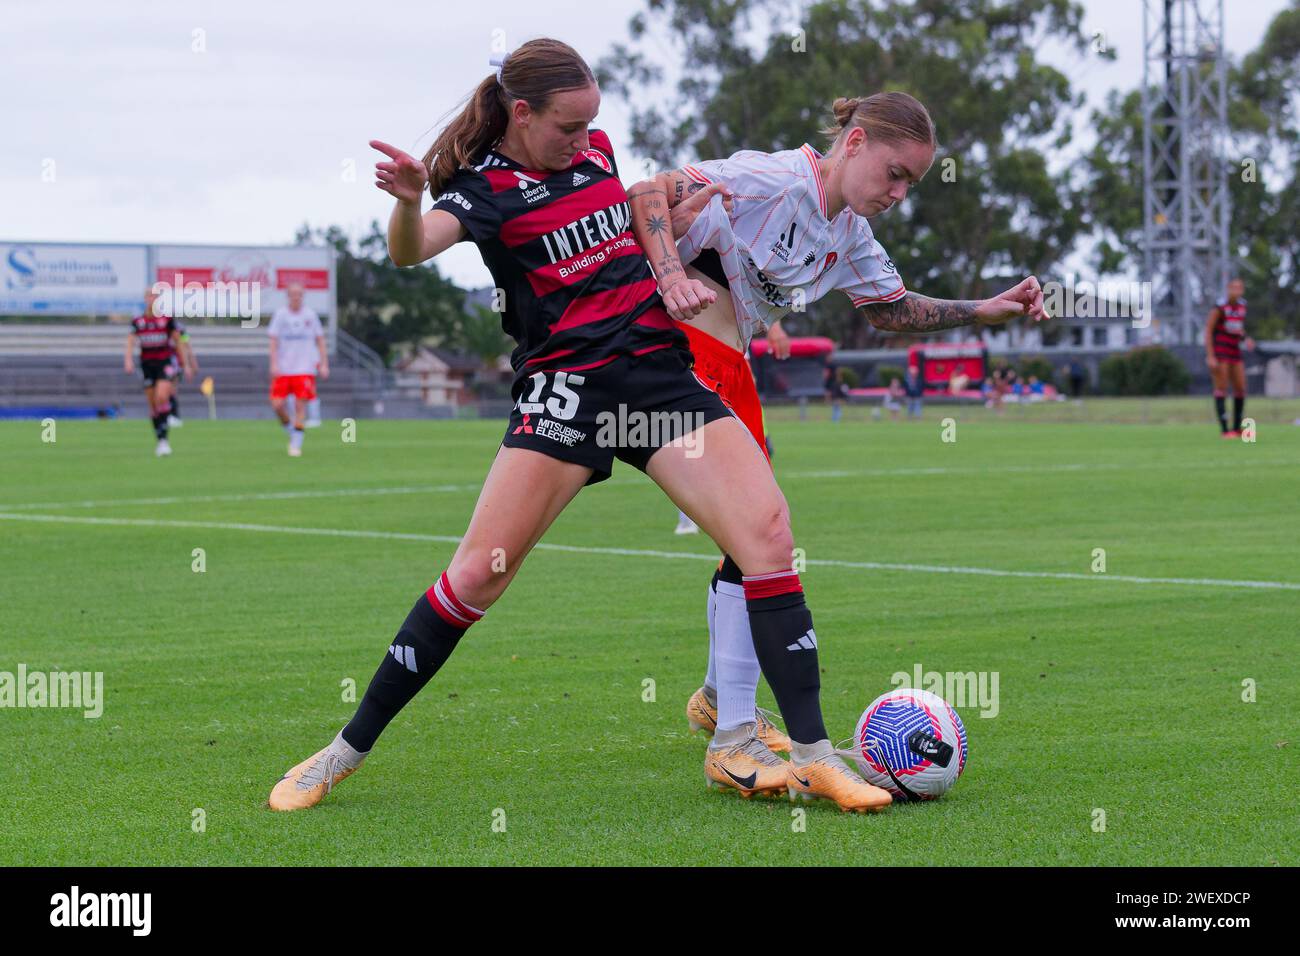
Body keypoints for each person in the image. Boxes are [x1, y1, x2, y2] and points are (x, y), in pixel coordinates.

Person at [269, 38, 902, 814]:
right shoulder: (480, 191)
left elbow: (634, 227)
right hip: (567, 394)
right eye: (569, 127)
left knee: (766, 532)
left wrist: (680, 232)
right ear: (522, 113)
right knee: (479, 574)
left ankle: (810, 757)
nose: (585, 141)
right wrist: (406, 201)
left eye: (591, 126)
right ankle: (343, 751)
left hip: (657, 377)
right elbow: (411, 253)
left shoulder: (597, 152)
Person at [625, 91, 1047, 797]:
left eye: (911, 181)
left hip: (723, 353)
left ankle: (720, 703)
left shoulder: (846, 231)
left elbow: (889, 309)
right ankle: (731, 733)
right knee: (757, 528)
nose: (900, 193)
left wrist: (986, 307)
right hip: (670, 343)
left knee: (753, 532)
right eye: (894, 173)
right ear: (853, 143)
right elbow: (647, 192)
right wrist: (670, 272)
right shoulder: (772, 180)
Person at [124, 288, 193, 456]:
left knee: (161, 396)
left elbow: (179, 342)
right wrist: (128, 360)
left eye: (155, 296)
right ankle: (162, 440)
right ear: (145, 299)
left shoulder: (167, 319)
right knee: (153, 405)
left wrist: (186, 363)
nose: (152, 299)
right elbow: (131, 341)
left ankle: (168, 422)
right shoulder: (138, 321)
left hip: (165, 362)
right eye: (149, 296)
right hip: (147, 364)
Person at [268, 283, 329, 456]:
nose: (296, 297)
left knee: (299, 405)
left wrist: (324, 363)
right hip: (284, 368)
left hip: (304, 368)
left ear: (303, 296)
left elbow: (320, 340)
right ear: (288, 296)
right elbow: (273, 341)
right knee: (277, 405)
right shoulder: (280, 315)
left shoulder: (310, 315)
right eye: (293, 294)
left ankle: (296, 444)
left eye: (299, 294)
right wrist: (273, 363)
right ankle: (292, 431)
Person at [1205, 277, 1255, 438]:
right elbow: (1208, 331)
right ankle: (1225, 430)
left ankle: (1237, 427)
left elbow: (1238, 329)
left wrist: (1246, 338)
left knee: (1240, 387)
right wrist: (1210, 356)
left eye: (1240, 287)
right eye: (1234, 287)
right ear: (1228, 289)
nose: (1237, 290)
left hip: (1235, 351)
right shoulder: (1219, 307)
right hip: (1221, 351)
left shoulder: (1242, 306)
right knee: (1222, 387)